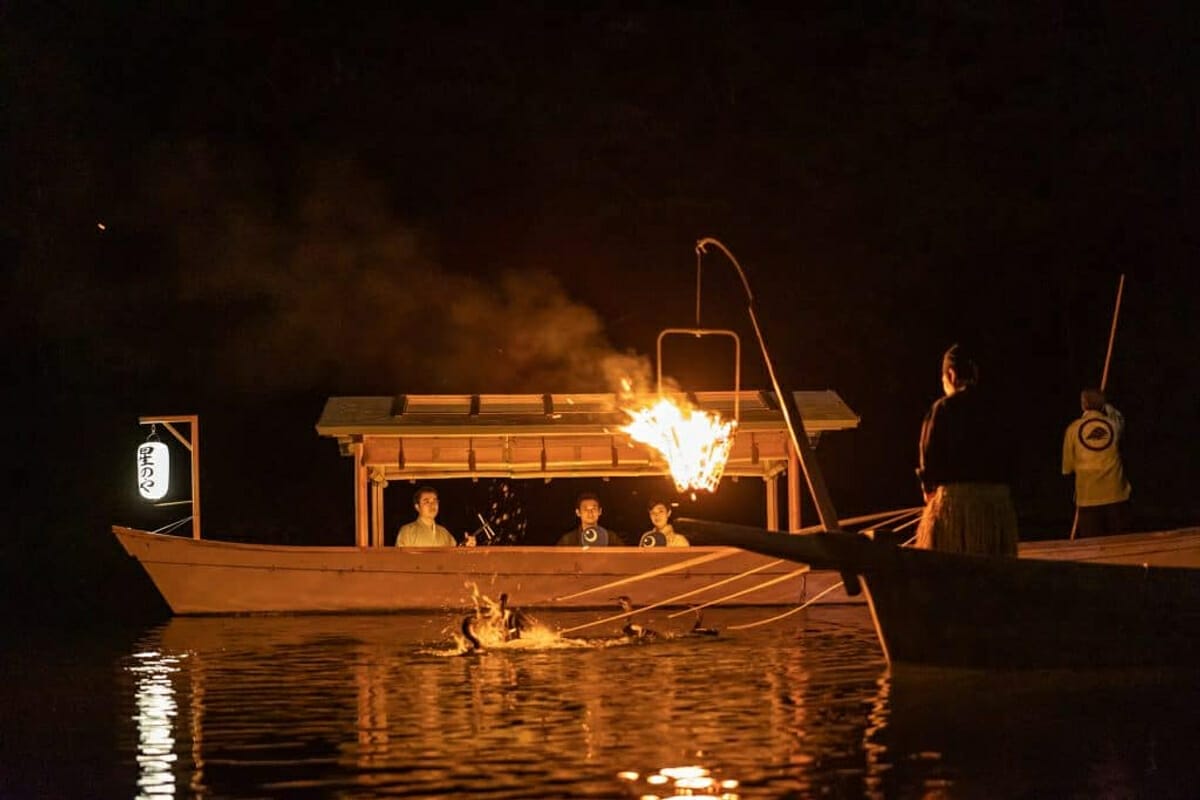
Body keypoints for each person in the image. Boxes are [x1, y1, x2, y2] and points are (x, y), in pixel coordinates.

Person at [915, 344, 1019, 555]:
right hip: (996, 508)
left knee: (949, 566)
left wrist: (928, 491)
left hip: (955, 508)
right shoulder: (999, 409)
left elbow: (929, 454)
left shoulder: (943, 408)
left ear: (950, 375)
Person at [1062, 388, 1132, 536]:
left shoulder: (1073, 429)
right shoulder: (1114, 425)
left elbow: (1067, 468)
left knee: (1092, 541)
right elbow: (1119, 418)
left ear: (1084, 404)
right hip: (1116, 492)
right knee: (1119, 540)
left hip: (1088, 496)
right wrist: (1107, 406)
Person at [556, 492, 625, 546]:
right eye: (585, 509)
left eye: (594, 509)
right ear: (578, 513)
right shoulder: (568, 540)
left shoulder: (611, 538)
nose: (590, 513)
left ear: (600, 511)